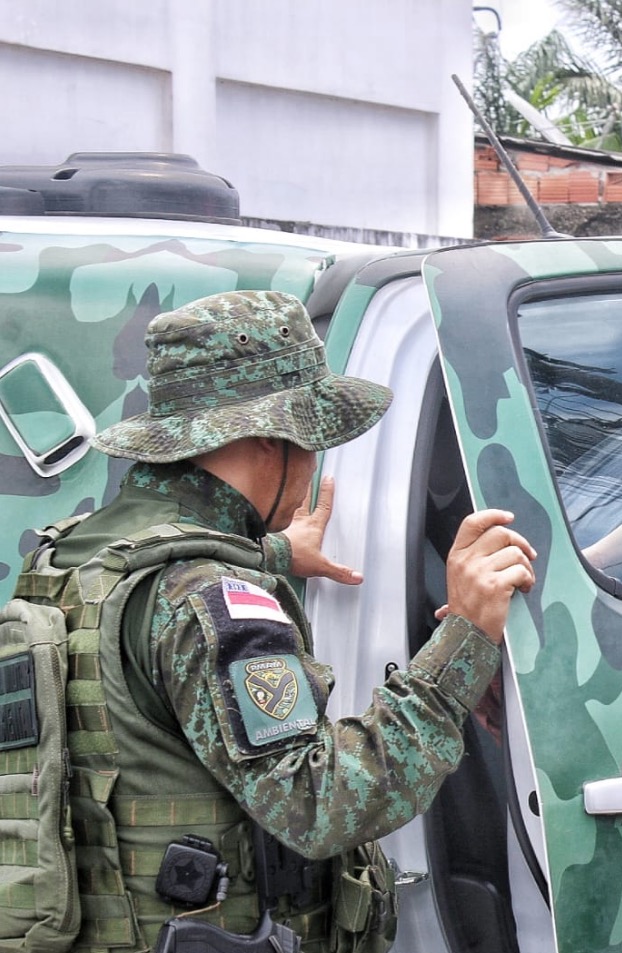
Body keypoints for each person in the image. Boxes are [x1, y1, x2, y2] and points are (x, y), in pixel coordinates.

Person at [14, 290, 535, 952]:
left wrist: (276, 553)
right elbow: (321, 803)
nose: (316, 464)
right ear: (267, 437)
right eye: (312, 439)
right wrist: (462, 637)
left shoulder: (73, 555)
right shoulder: (209, 601)